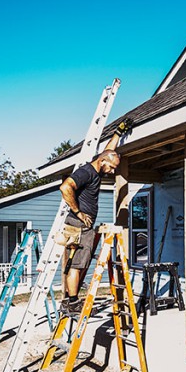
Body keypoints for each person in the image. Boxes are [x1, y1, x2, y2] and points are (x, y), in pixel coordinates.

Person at [57, 123, 128, 315]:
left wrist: (118, 133)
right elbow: (65, 187)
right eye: (112, 168)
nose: (112, 172)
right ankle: (72, 303)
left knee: (79, 263)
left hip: (82, 225)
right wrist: (78, 212)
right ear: (103, 162)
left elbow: (108, 151)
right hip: (80, 225)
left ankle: (70, 300)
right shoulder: (86, 172)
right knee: (78, 264)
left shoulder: (98, 165)